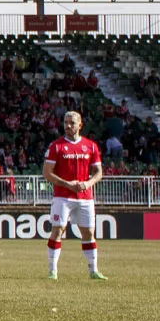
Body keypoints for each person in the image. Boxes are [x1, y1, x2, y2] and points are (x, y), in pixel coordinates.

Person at [43, 109, 106, 281]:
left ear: (80, 125)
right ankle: (52, 271)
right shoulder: (56, 146)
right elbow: (47, 173)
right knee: (58, 230)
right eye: (66, 122)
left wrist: (88, 183)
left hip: (85, 197)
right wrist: (66, 184)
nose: (68, 126)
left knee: (88, 232)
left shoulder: (91, 146)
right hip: (63, 196)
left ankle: (93, 270)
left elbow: (99, 172)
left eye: (72, 123)